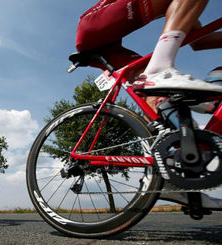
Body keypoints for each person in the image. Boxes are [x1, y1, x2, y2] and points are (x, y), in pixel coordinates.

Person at [75, 0, 222, 209]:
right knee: (154, 77)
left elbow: (200, 42)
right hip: (92, 24)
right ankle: (160, 68)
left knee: (165, 105)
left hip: (108, 45)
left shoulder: (182, 8)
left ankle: (174, 181)